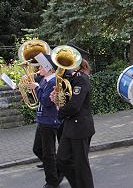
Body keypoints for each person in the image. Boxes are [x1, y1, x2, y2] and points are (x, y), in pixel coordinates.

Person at [54, 44, 95, 188]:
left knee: (81, 165)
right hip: (70, 126)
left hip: (80, 126)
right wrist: (56, 98)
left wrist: (59, 111)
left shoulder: (81, 79)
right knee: (62, 160)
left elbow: (74, 106)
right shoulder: (70, 79)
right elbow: (66, 100)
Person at [28, 55, 61, 188]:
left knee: (49, 153)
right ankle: (58, 170)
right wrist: (32, 89)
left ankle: (52, 182)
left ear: (49, 68)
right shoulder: (44, 80)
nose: (38, 68)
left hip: (49, 121)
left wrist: (36, 87)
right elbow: (39, 97)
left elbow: (47, 101)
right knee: (37, 149)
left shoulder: (53, 82)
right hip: (42, 119)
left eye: (41, 66)